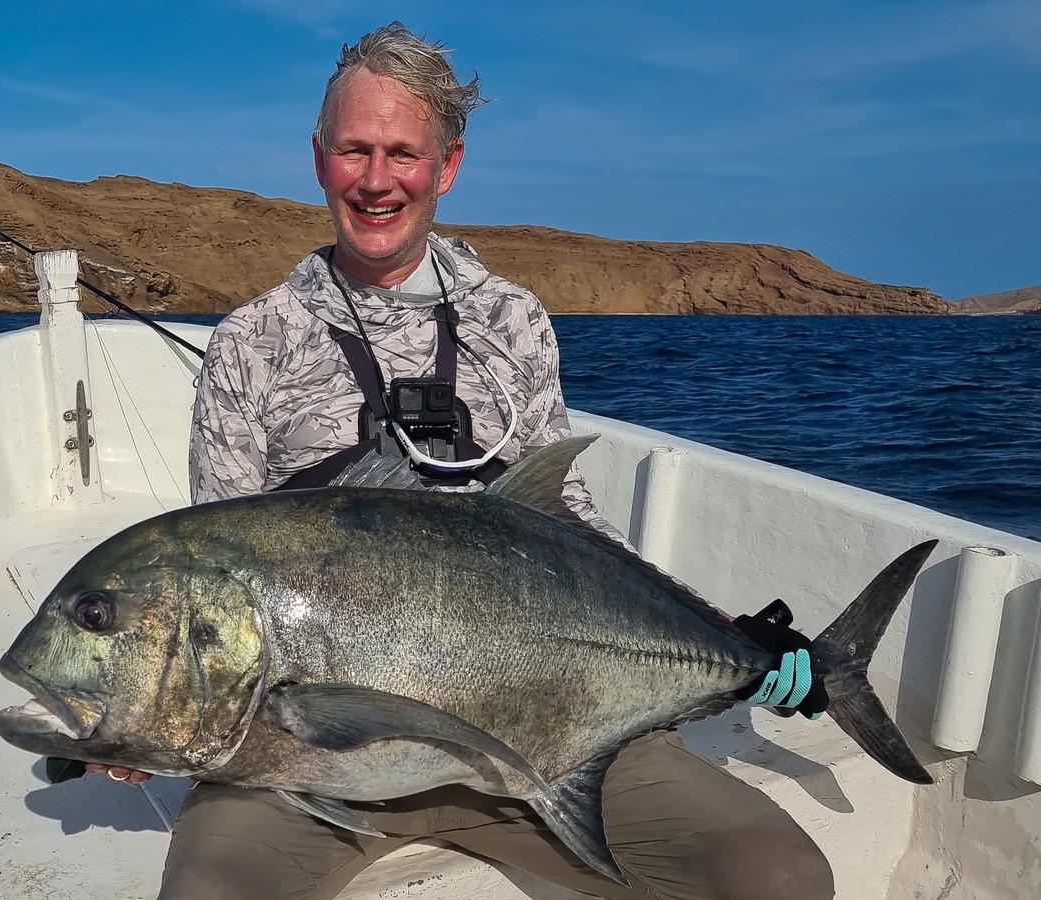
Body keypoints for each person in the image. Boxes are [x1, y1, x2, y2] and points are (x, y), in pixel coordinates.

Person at [93, 22, 835, 900]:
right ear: (319, 158)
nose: (376, 180)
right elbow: (214, 580)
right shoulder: (253, 342)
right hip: (304, 760)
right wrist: (138, 708)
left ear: (445, 166)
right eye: (354, 150)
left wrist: (730, 641)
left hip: (541, 732)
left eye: (403, 153)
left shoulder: (511, 319)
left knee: (778, 875)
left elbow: (566, 526)